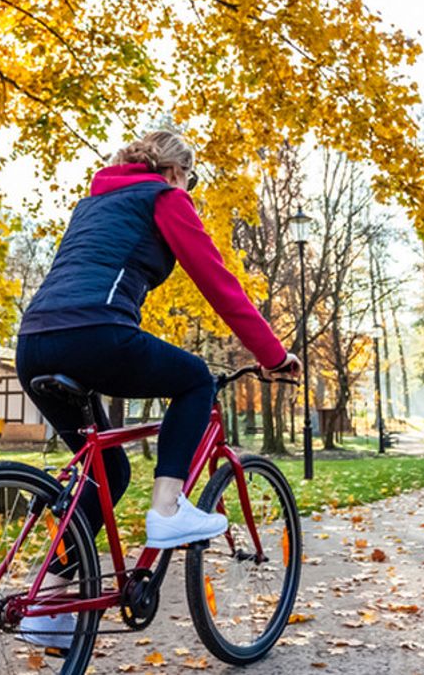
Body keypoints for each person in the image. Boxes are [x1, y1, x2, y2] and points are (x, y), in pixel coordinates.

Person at [15, 129, 300, 647]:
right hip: (93, 333)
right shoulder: (165, 197)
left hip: (33, 342)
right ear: (175, 171)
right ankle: (167, 510)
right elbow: (219, 283)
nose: (189, 186)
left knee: (109, 472)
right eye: (190, 177)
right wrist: (273, 355)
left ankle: (47, 603)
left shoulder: (91, 205)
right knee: (194, 378)